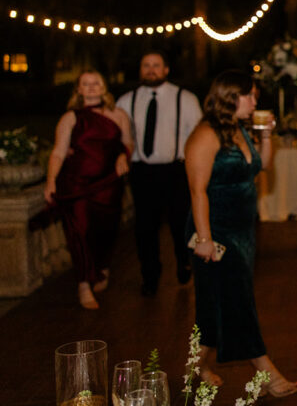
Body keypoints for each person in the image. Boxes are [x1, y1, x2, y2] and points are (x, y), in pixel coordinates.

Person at [184, 69, 297, 396]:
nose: (255, 100)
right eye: (249, 94)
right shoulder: (206, 135)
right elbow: (197, 191)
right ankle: (267, 375)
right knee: (238, 301)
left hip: (242, 230)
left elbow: (260, 166)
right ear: (230, 97)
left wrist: (265, 136)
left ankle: (197, 366)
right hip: (216, 233)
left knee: (213, 303)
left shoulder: (239, 129)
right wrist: (205, 240)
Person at [116, 51, 202, 296]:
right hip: (142, 171)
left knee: (180, 223)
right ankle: (150, 275)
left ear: (166, 70)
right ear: (140, 70)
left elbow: (196, 136)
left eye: (156, 65)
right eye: (146, 65)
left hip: (175, 170)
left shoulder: (184, 99)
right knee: (145, 226)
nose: (150, 70)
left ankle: (184, 264)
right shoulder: (125, 101)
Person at [45, 70, 134, 309]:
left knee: (106, 230)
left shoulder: (119, 115)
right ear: (79, 90)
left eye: (97, 83)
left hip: (109, 184)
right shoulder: (70, 118)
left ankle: (102, 266)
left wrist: (123, 156)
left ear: (104, 87)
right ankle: (83, 284)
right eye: (86, 84)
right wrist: (51, 180)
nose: (92, 87)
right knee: (79, 232)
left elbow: (127, 142)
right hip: (77, 185)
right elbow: (58, 152)